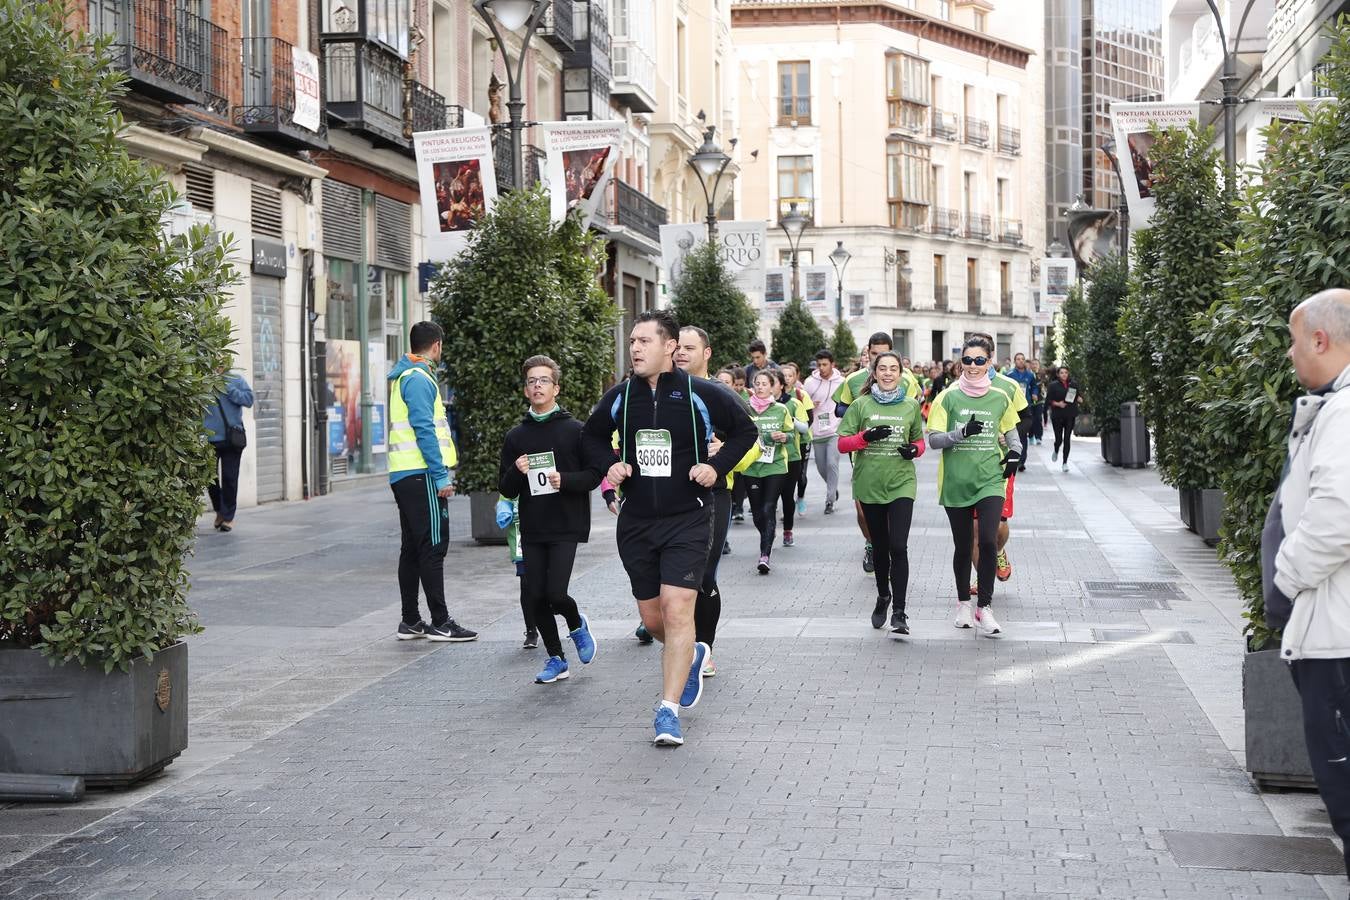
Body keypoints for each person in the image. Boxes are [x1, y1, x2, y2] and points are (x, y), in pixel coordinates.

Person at [582, 311, 758, 747]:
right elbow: (588, 438)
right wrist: (611, 464)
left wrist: (715, 467)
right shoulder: (621, 396)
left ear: (669, 347)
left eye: (643, 341)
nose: (635, 348)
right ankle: (694, 651)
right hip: (638, 521)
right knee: (654, 618)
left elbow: (745, 432)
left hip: (689, 518)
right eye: (632, 341)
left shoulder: (703, 394)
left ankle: (667, 710)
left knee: (678, 609)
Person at [1264, 288, 1350, 879]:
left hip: (1338, 640)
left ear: (1320, 340)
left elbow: (1336, 516)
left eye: (1295, 343)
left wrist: (1286, 578)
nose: (1291, 355)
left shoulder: (1344, 413)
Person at [499, 355, 602, 685]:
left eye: (543, 380)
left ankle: (576, 624)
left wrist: (565, 480)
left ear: (556, 388)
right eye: (531, 381)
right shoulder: (516, 436)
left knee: (556, 594)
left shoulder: (575, 431)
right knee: (535, 596)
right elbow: (504, 487)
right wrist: (516, 470)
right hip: (533, 525)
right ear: (525, 391)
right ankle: (556, 658)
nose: (537, 386)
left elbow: (594, 475)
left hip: (566, 523)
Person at [926, 336, 1022, 637]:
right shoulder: (948, 398)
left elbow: (1013, 435)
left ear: (989, 362)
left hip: (991, 479)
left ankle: (986, 607)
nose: (973, 366)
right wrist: (962, 432)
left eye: (979, 360)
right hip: (957, 480)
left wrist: (1014, 456)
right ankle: (964, 604)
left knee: (989, 541)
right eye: (967, 360)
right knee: (964, 545)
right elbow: (933, 440)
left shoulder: (1000, 397)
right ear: (960, 363)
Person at [388, 322, 477, 643]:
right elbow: (424, 428)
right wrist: (440, 475)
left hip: (405, 472)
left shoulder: (405, 375)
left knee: (413, 548)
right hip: (421, 473)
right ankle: (441, 621)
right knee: (433, 546)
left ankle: (411, 621)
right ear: (437, 346)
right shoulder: (419, 379)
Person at [675, 326, 756, 678]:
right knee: (673, 578)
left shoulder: (722, 395)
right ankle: (679, 640)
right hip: (666, 496)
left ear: (706, 353)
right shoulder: (656, 391)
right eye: (676, 347)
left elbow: (753, 442)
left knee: (704, 573)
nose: (681, 353)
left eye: (689, 348)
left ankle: (703, 649)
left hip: (714, 493)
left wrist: (723, 455)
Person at [836, 352, 925, 634]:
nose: (888, 373)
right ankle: (883, 595)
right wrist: (865, 438)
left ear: (901, 373)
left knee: (899, 546)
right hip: (869, 485)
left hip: (901, 483)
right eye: (882, 369)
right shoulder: (861, 405)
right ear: (873, 373)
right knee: (881, 547)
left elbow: (919, 442)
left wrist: (914, 451)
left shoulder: (911, 405)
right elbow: (842, 444)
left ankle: (899, 612)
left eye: (893, 369)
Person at [833, 332, 920, 574]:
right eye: (874, 355)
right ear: (869, 355)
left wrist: (914, 448)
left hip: (896, 460)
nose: (886, 370)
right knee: (863, 511)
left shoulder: (907, 381)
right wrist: (860, 421)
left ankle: (889, 546)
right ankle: (872, 542)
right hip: (862, 455)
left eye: (888, 359)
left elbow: (911, 418)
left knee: (894, 518)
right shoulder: (854, 380)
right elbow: (840, 407)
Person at [742, 368, 795, 574]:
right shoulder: (745, 408)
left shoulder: (781, 409)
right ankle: (768, 534)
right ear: (753, 386)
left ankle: (765, 554)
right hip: (751, 466)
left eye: (765, 384)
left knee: (768, 507)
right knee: (757, 513)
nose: (761, 387)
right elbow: (740, 435)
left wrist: (784, 437)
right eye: (757, 384)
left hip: (775, 465)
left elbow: (791, 434)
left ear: (772, 386)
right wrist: (765, 438)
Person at [204, 368, 254, 533]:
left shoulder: (236, 379)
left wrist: (228, 388)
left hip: (232, 438)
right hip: (210, 439)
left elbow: (249, 400)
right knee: (209, 479)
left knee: (230, 478)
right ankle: (219, 510)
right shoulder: (203, 381)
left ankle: (228, 517)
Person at [803, 349, 845, 514]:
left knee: (832, 463)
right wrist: (811, 404)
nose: (822, 367)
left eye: (825, 364)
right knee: (821, 466)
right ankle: (832, 488)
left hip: (835, 430)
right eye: (819, 364)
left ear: (832, 364)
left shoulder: (842, 381)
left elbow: (847, 403)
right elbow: (803, 406)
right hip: (817, 430)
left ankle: (830, 501)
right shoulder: (810, 382)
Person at [776, 365, 812, 545]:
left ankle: (787, 530)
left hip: (791, 456)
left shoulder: (794, 402)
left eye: (772, 383)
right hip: (765, 459)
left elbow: (805, 426)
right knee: (765, 502)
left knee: (787, 496)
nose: (764, 387)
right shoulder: (756, 405)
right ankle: (766, 530)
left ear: (780, 385)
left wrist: (791, 421)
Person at [780, 362, 815, 517]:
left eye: (790, 375)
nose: (787, 378)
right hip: (782, 441)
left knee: (800, 474)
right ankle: (786, 504)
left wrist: (795, 425)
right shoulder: (773, 396)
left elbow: (810, 419)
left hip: (801, 440)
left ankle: (800, 497)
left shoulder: (801, 395)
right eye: (784, 375)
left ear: (795, 377)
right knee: (782, 474)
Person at [1046, 366, 1082, 472]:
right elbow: (1048, 400)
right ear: (1058, 374)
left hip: (1070, 414)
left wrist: (1080, 398)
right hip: (1057, 415)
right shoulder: (1053, 386)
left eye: (1066, 372)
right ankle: (1056, 449)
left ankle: (1065, 462)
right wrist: (1057, 404)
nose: (1064, 375)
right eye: (1062, 373)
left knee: (1067, 438)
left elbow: (1078, 396)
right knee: (1059, 439)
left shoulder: (1073, 384)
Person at [1007, 353, 1038, 468]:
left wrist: (1034, 393)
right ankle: (1012, 456)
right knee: (1012, 433)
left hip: (1025, 407)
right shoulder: (1009, 375)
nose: (1020, 361)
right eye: (1018, 359)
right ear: (1015, 361)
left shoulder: (1030, 375)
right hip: (1012, 408)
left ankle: (1021, 461)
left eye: (1022, 359)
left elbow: (1035, 386)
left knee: (1023, 434)